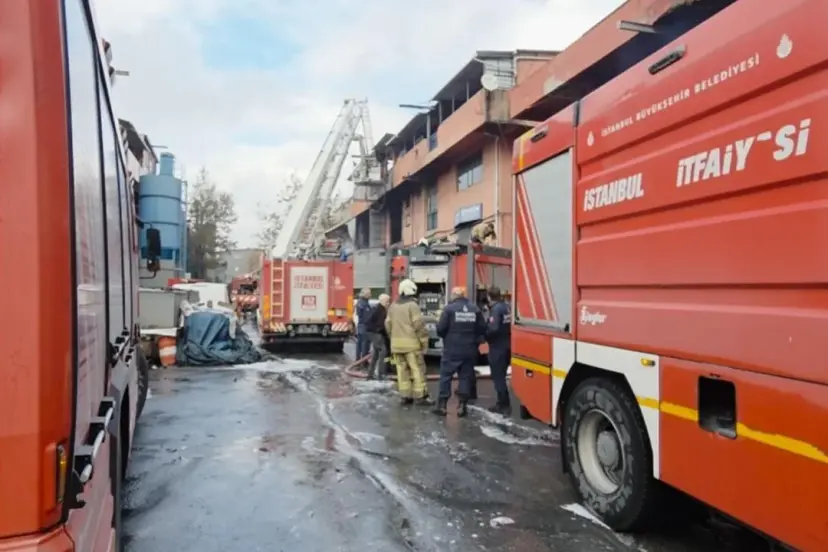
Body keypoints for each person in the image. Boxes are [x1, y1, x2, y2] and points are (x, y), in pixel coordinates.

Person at [433, 287, 486, 417]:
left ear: (454, 295)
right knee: (465, 377)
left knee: (446, 377)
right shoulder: (475, 309)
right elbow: (482, 328)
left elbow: (441, 330)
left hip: (452, 349)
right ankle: (462, 406)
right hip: (469, 350)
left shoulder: (449, 309)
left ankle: (442, 406)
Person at [385, 279, 432, 406]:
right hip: (411, 346)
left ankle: (405, 396)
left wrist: (393, 338)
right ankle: (421, 396)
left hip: (396, 346)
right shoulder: (412, 306)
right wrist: (424, 342)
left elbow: (387, 324)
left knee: (402, 372)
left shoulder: (393, 306)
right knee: (417, 370)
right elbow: (419, 326)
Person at [485, 286, 512, 415]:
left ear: (489, 296)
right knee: (502, 375)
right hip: (507, 345)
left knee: (498, 377)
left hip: (497, 347)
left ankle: (503, 404)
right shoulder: (506, 307)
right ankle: (504, 402)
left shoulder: (495, 309)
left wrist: (485, 335)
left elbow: (493, 328)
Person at [364, 294, 390, 380]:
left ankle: (370, 374)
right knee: (383, 350)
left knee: (375, 353)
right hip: (375, 332)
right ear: (383, 301)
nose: (388, 303)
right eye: (387, 301)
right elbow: (381, 325)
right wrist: (387, 335)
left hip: (370, 331)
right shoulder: (381, 310)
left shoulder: (375, 308)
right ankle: (381, 374)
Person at [355, 288, 372, 361]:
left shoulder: (360, 302)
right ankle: (363, 361)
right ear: (366, 294)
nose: (370, 295)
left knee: (359, 344)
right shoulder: (364, 304)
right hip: (364, 326)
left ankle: (358, 359)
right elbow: (367, 317)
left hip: (360, 325)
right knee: (365, 344)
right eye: (369, 293)